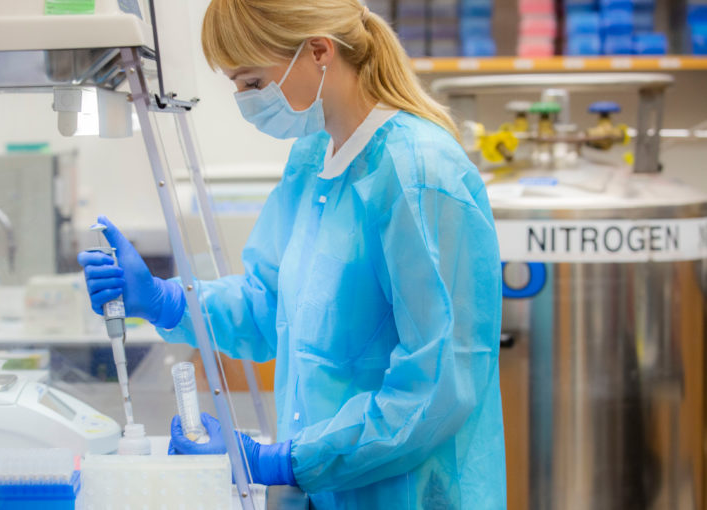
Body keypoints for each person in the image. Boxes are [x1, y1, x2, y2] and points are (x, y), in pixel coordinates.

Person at [78, 0, 506, 507]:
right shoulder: (312, 160)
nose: (243, 100)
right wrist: (164, 300)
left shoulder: (419, 175)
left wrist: (281, 463)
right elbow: (269, 306)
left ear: (319, 51)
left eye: (253, 82)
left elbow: (437, 387)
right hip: (321, 490)